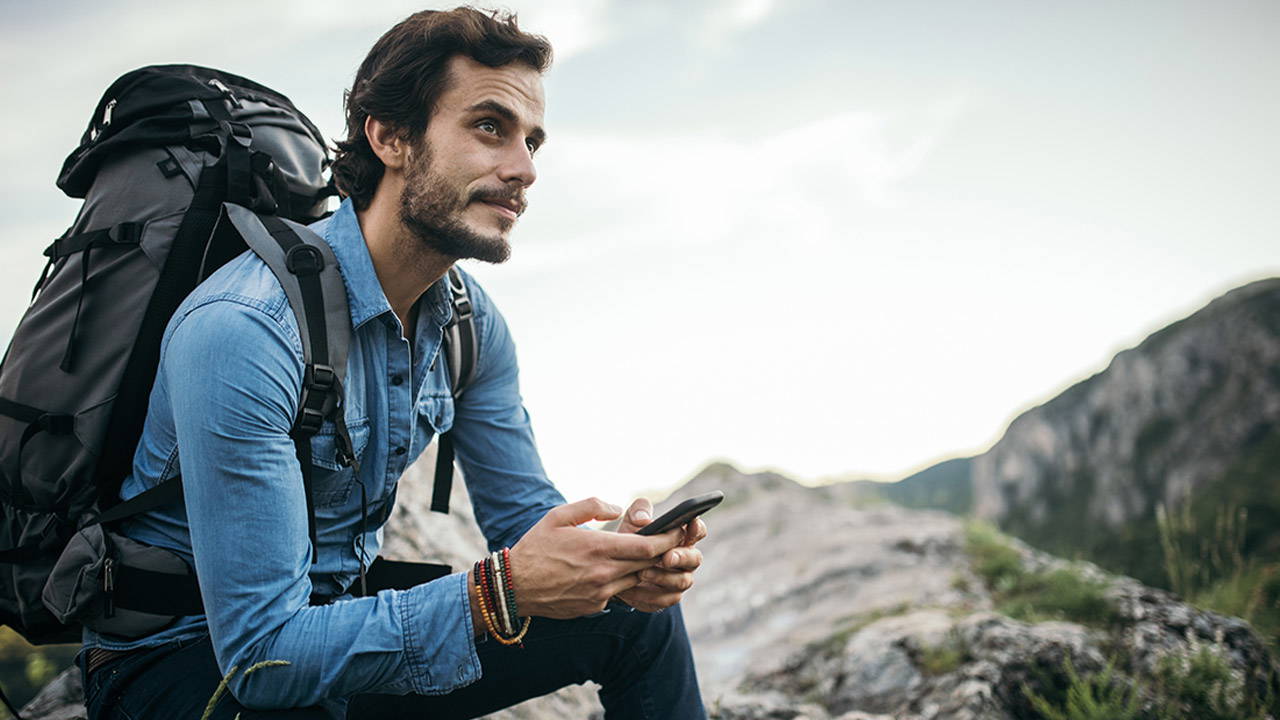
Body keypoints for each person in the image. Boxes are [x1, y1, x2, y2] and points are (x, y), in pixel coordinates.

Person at [76, 8, 709, 719]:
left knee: (637, 620)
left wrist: (614, 563)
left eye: (532, 141)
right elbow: (261, 658)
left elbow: (523, 517)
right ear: (391, 136)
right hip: (189, 664)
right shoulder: (244, 330)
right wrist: (493, 593)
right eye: (489, 127)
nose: (524, 169)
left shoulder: (472, 324)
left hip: (338, 634)